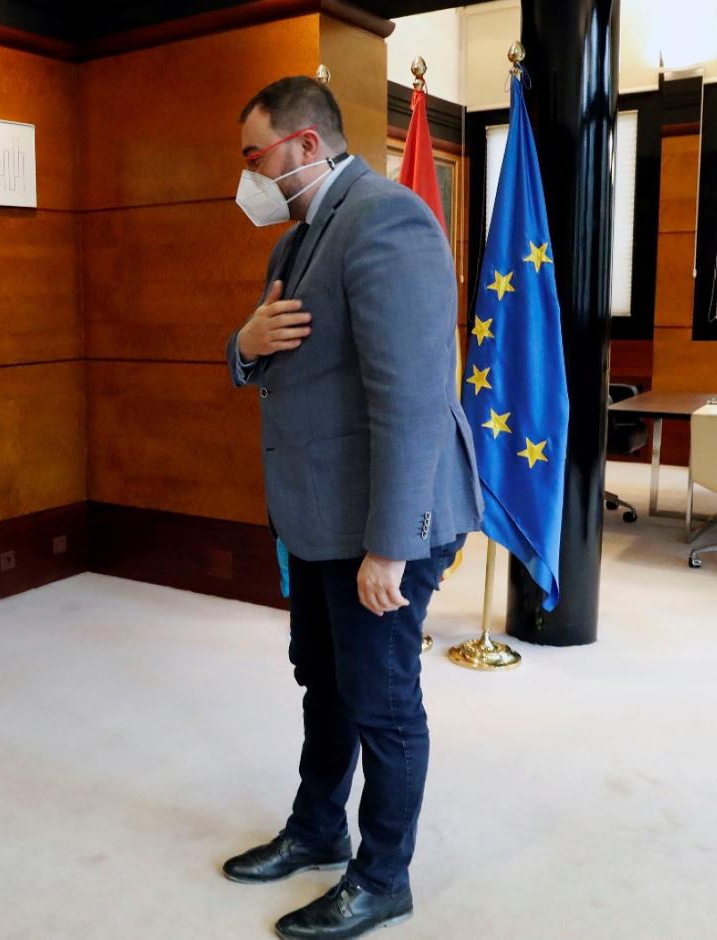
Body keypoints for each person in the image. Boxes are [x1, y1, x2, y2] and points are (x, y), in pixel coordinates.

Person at [222, 77, 483, 939]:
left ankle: (382, 878)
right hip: (320, 517)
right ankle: (317, 829)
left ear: (302, 145)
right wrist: (243, 349)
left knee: (381, 698)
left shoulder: (387, 219)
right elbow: (273, 353)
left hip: (383, 523)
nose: (247, 177)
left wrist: (389, 550)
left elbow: (411, 401)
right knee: (324, 684)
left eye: (253, 156)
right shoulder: (298, 239)